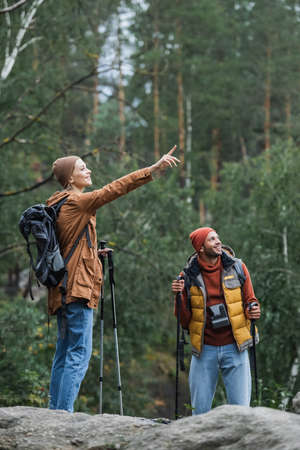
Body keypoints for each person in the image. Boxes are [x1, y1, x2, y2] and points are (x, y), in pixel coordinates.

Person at [48, 146, 179, 412]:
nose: (89, 170)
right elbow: (114, 189)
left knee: (63, 353)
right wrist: (152, 170)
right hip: (78, 289)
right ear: (70, 179)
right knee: (78, 354)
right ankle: (63, 415)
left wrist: (93, 253)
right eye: (82, 168)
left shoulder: (57, 202)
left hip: (61, 289)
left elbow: (67, 246)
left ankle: (55, 410)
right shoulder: (76, 201)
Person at [171, 227, 261, 415]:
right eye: (212, 239)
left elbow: (250, 300)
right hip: (204, 350)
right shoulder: (187, 276)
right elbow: (184, 321)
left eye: (217, 237)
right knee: (199, 413)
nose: (218, 241)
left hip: (235, 346)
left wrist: (253, 309)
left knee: (242, 412)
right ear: (201, 248)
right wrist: (178, 296)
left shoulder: (237, 267)